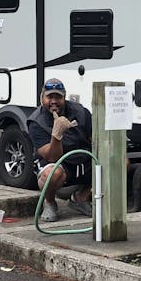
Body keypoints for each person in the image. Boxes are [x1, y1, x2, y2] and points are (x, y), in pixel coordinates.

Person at [27, 78, 92, 222]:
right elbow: (52, 157)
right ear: (42, 98)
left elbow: (95, 140)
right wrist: (57, 134)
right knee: (51, 174)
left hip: (83, 158)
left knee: (119, 162)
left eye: (58, 97)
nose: (54, 101)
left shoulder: (81, 112)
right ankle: (49, 203)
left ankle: (81, 199)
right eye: (50, 97)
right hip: (59, 163)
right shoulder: (36, 122)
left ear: (64, 97)